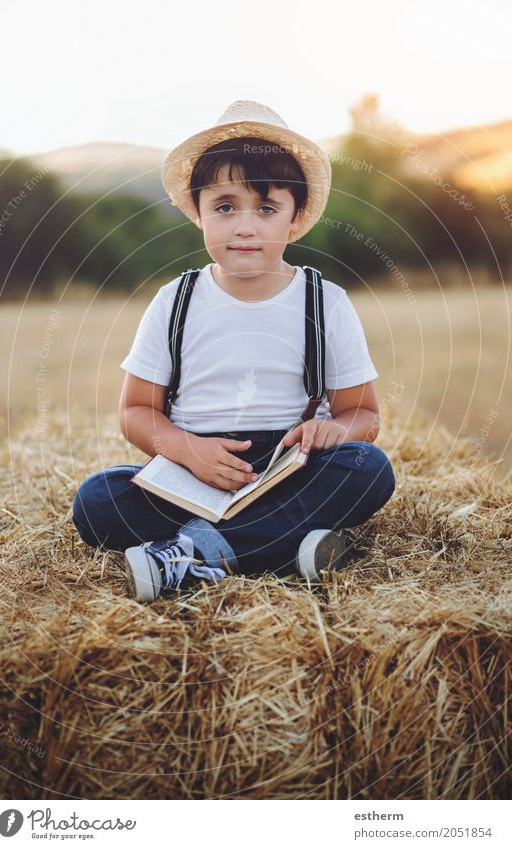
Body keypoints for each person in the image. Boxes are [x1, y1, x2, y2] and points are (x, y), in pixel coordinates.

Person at [72, 100, 396, 602]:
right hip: (193, 471)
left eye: (266, 208)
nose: (245, 226)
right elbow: (137, 411)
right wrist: (186, 450)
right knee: (96, 500)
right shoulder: (174, 301)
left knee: (368, 468)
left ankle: (192, 556)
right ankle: (287, 547)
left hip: (288, 469)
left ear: (296, 217)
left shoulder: (324, 301)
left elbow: (363, 415)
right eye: (224, 207)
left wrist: (332, 428)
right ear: (198, 213)